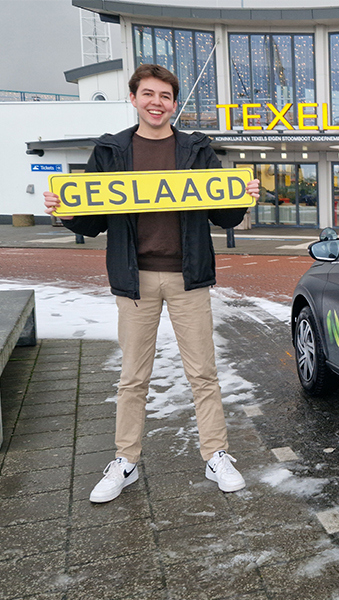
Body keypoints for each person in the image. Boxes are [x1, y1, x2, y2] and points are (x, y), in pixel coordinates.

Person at [44, 64, 260, 503]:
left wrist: (242, 199)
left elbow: (222, 214)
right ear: (134, 98)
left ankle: (215, 454)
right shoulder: (111, 151)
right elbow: (93, 221)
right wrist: (66, 212)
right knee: (132, 377)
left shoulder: (196, 149)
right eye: (148, 94)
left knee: (203, 373)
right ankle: (125, 461)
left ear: (174, 104)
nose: (156, 102)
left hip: (188, 278)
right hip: (135, 279)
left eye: (164, 96)